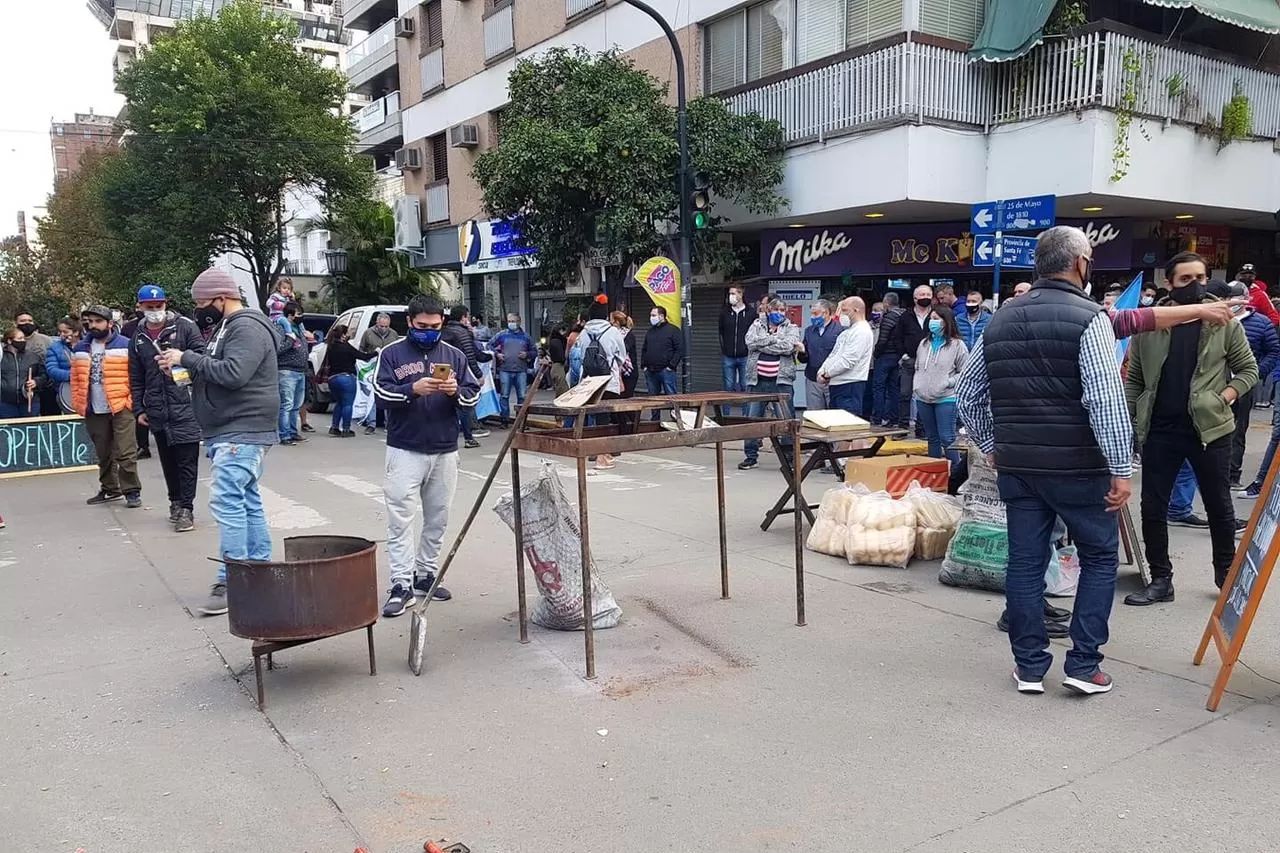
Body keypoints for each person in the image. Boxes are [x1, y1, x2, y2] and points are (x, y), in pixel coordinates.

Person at [957, 226, 1132, 696]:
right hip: (1080, 470)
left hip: (1020, 468)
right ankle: (1084, 664)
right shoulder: (1089, 317)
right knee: (1099, 557)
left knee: (1026, 563)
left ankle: (1030, 666)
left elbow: (969, 396)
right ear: (1079, 263)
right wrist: (1121, 467)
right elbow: (1104, 397)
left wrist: (992, 445)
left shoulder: (1000, 319)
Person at [1124, 252, 1258, 605]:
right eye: (1186, 279)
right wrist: (1135, 422)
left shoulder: (1224, 322)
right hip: (1160, 430)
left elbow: (1248, 371)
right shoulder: (1151, 324)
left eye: (1200, 277)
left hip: (1210, 429)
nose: (1196, 286)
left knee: (1218, 504)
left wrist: (1223, 397)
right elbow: (1135, 379)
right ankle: (1160, 579)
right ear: (1169, 283)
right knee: (1153, 507)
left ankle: (1225, 575)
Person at [156, 267, 281, 616]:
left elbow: (234, 373)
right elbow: (218, 370)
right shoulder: (227, 327)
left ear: (221, 299)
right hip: (231, 428)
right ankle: (257, 572)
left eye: (201, 303)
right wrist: (182, 370)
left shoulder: (246, 327)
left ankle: (233, 580)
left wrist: (187, 358)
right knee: (246, 500)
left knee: (228, 501)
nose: (198, 310)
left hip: (241, 429)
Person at [373, 294, 480, 616]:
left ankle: (425, 574)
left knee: (438, 517)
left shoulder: (454, 355)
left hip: (445, 449)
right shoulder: (391, 354)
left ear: (442, 324)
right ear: (409, 322)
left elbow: (473, 394)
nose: (428, 331)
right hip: (405, 449)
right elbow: (379, 393)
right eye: (422, 326)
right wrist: (411, 390)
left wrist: (456, 393)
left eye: (435, 326)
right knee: (400, 520)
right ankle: (401, 584)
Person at [127, 284, 205, 531]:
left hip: (185, 404)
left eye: (158, 306)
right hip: (157, 408)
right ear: (140, 307)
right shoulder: (138, 337)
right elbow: (136, 376)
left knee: (186, 461)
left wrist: (178, 370)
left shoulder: (184, 327)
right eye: (149, 307)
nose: (154, 311)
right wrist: (139, 409)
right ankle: (175, 501)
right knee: (168, 461)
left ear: (166, 304)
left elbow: (202, 362)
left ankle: (187, 508)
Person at [72, 306, 142, 508]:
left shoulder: (125, 345)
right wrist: (79, 404)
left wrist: (130, 402)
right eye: (90, 322)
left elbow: (135, 376)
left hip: (121, 406)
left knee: (125, 450)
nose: (93, 325)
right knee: (103, 452)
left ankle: (131, 491)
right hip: (93, 408)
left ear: (110, 323)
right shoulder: (80, 349)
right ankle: (110, 488)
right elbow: (75, 379)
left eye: (98, 321)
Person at [1213, 280, 1279, 488]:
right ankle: (1211, 472)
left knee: (1237, 431)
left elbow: (1272, 350)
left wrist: (1256, 373)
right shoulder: (1215, 319)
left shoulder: (1261, 323)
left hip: (1243, 385)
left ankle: (1232, 473)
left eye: (1237, 297)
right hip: (1215, 384)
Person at [739, 298, 801, 471]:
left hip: (781, 382)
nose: (780, 313)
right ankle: (750, 457)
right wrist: (773, 340)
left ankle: (789, 458)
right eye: (776, 310)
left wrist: (763, 343)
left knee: (786, 421)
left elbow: (788, 347)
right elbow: (750, 343)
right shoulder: (757, 324)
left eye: (783, 310)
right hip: (757, 381)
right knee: (753, 420)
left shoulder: (792, 328)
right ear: (768, 310)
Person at [913, 308, 968, 468]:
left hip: (947, 397)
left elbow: (965, 372)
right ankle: (934, 473)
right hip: (923, 397)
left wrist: (948, 382)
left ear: (946, 321)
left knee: (947, 437)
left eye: (936, 318)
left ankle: (957, 475)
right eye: (931, 318)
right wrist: (917, 386)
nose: (932, 322)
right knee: (932, 438)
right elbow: (917, 367)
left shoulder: (958, 345)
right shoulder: (924, 344)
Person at [886, 285, 934, 431]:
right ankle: (903, 427)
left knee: (925, 395)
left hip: (930, 361)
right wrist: (903, 354)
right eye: (922, 294)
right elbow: (897, 337)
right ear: (915, 298)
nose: (925, 297)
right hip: (910, 360)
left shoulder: (936, 315)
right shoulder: (906, 316)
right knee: (905, 394)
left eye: (928, 294)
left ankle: (922, 427)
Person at [441, 304, 489, 449]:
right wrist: (478, 375)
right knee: (464, 404)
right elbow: (470, 356)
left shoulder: (444, 331)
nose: (469, 320)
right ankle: (468, 437)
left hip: (442, 370)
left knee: (444, 403)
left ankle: (445, 436)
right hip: (458, 372)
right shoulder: (463, 333)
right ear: (463, 318)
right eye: (467, 317)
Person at [817, 297, 872, 416]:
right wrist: (821, 371)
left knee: (847, 426)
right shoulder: (846, 332)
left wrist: (827, 374)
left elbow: (849, 360)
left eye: (845, 310)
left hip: (850, 384)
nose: (841, 314)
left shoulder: (862, 330)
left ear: (856, 310)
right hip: (836, 384)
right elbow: (833, 354)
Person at [320, 324, 376, 437]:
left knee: (339, 403)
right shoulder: (346, 347)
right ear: (344, 335)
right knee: (347, 404)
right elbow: (363, 356)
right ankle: (346, 429)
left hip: (332, 379)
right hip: (346, 378)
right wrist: (376, 352)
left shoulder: (331, 346)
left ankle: (334, 427)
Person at [273, 301, 309, 446]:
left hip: (300, 370)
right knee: (287, 404)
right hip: (287, 370)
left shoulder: (299, 328)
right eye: (298, 314)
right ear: (290, 315)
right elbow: (278, 349)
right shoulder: (281, 328)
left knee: (296, 405)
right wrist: (290, 340)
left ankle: (293, 432)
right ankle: (284, 435)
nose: (301, 317)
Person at [492, 313, 535, 427]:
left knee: (522, 396)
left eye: (513, 321)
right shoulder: (501, 335)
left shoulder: (526, 337)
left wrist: (527, 354)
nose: (510, 323)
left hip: (521, 370)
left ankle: (520, 421)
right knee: (504, 396)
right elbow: (489, 345)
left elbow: (534, 351)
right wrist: (497, 354)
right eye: (509, 321)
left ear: (519, 321)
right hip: (505, 369)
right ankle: (504, 420)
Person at [798, 299, 842, 412]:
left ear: (826, 313)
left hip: (832, 379)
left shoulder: (840, 330)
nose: (812, 317)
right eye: (812, 313)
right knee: (814, 415)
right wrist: (802, 352)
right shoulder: (809, 331)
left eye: (815, 314)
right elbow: (803, 359)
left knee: (834, 413)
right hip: (812, 378)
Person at [641, 306, 682, 419]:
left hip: (666, 370)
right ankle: (655, 421)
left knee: (671, 397)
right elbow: (645, 348)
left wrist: (671, 366)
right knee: (653, 399)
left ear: (662, 316)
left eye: (653, 315)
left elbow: (679, 350)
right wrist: (644, 365)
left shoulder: (673, 330)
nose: (651, 318)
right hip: (650, 370)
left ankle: (675, 420)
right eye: (651, 315)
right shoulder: (650, 331)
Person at [871, 292, 904, 426]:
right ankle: (894, 418)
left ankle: (878, 417)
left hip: (885, 356)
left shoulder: (889, 317)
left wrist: (876, 353)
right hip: (899, 356)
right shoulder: (904, 315)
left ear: (886, 303)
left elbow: (883, 339)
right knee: (894, 388)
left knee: (878, 387)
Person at [14, 310, 55, 417]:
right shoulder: (11, 341)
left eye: (30, 321)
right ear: (15, 323)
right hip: (22, 389)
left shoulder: (46, 340)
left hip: (46, 386)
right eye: (23, 321)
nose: (27, 323)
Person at [719, 285, 753, 413]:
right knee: (728, 386)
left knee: (745, 386)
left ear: (741, 294)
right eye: (729, 293)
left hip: (745, 355)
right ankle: (725, 416)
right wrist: (724, 348)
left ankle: (746, 416)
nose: (730, 296)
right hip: (728, 355)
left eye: (733, 293)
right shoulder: (725, 312)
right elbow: (720, 332)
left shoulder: (750, 313)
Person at [0, 325, 45, 419]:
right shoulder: (1, 357)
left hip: (29, 401)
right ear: (9, 341)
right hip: (5, 403)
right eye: (20, 338)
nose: (23, 341)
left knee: (31, 431)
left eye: (24, 338)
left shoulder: (33, 356)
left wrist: (36, 382)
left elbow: (44, 375)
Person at [45, 317, 78, 412]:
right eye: (60, 332)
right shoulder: (54, 348)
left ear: (76, 332)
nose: (62, 335)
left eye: (65, 332)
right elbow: (51, 370)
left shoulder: (88, 345)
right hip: (65, 391)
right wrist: (73, 375)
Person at [546, 324, 569, 396]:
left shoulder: (552, 340)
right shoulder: (557, 341)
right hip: (559, 367)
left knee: (560, 390)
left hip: (555, 367)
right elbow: (561, 357)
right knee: (562, 391)